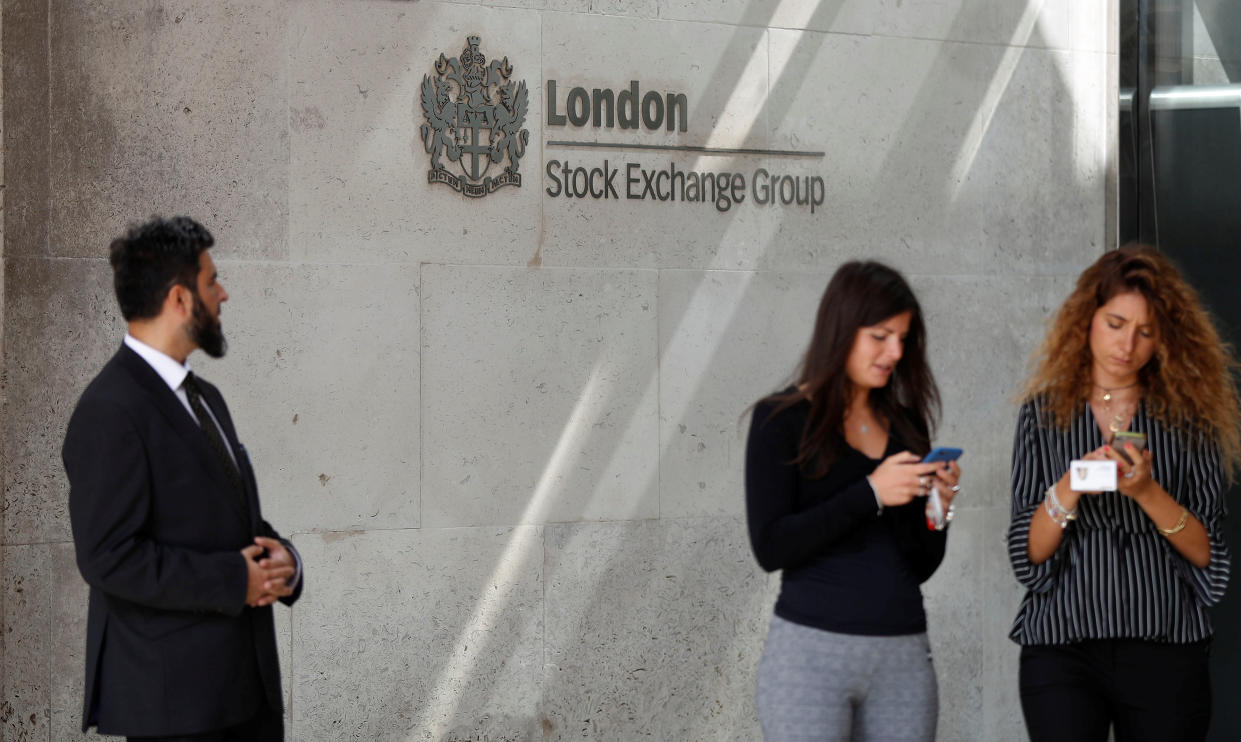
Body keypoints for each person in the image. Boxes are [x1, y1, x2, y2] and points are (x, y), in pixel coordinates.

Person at [63, 216, 304, 741]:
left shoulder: (205, 397)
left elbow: (229, 516)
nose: (223, 294)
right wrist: (233, 580)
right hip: (174, 709)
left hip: (244, 694)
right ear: (178, 299)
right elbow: (108, 557)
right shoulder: (109, 409)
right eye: (210, 281)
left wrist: (284, 559)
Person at [1007, 246, 1239, 742]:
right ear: (1087, 318)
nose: (1127, 344)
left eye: (1146, 332)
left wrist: (1147, 491)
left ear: (1165, 340)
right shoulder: (1042, 415)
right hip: (1062, 642)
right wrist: (1070, 487)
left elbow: (1207, 553)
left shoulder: (1190, 419)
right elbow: (1028, 552)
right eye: (1115, 323)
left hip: (1165, 642)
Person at [745, 260, 961, 742]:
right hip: (809, 658)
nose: (894, 352)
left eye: (902, 339)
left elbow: (921, 563)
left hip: (903, 655)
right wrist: (870, 493)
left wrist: (939, 510)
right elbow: (771, 546)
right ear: (842, 328)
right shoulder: (779, 421)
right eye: (880, 336)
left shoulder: (907, 425)